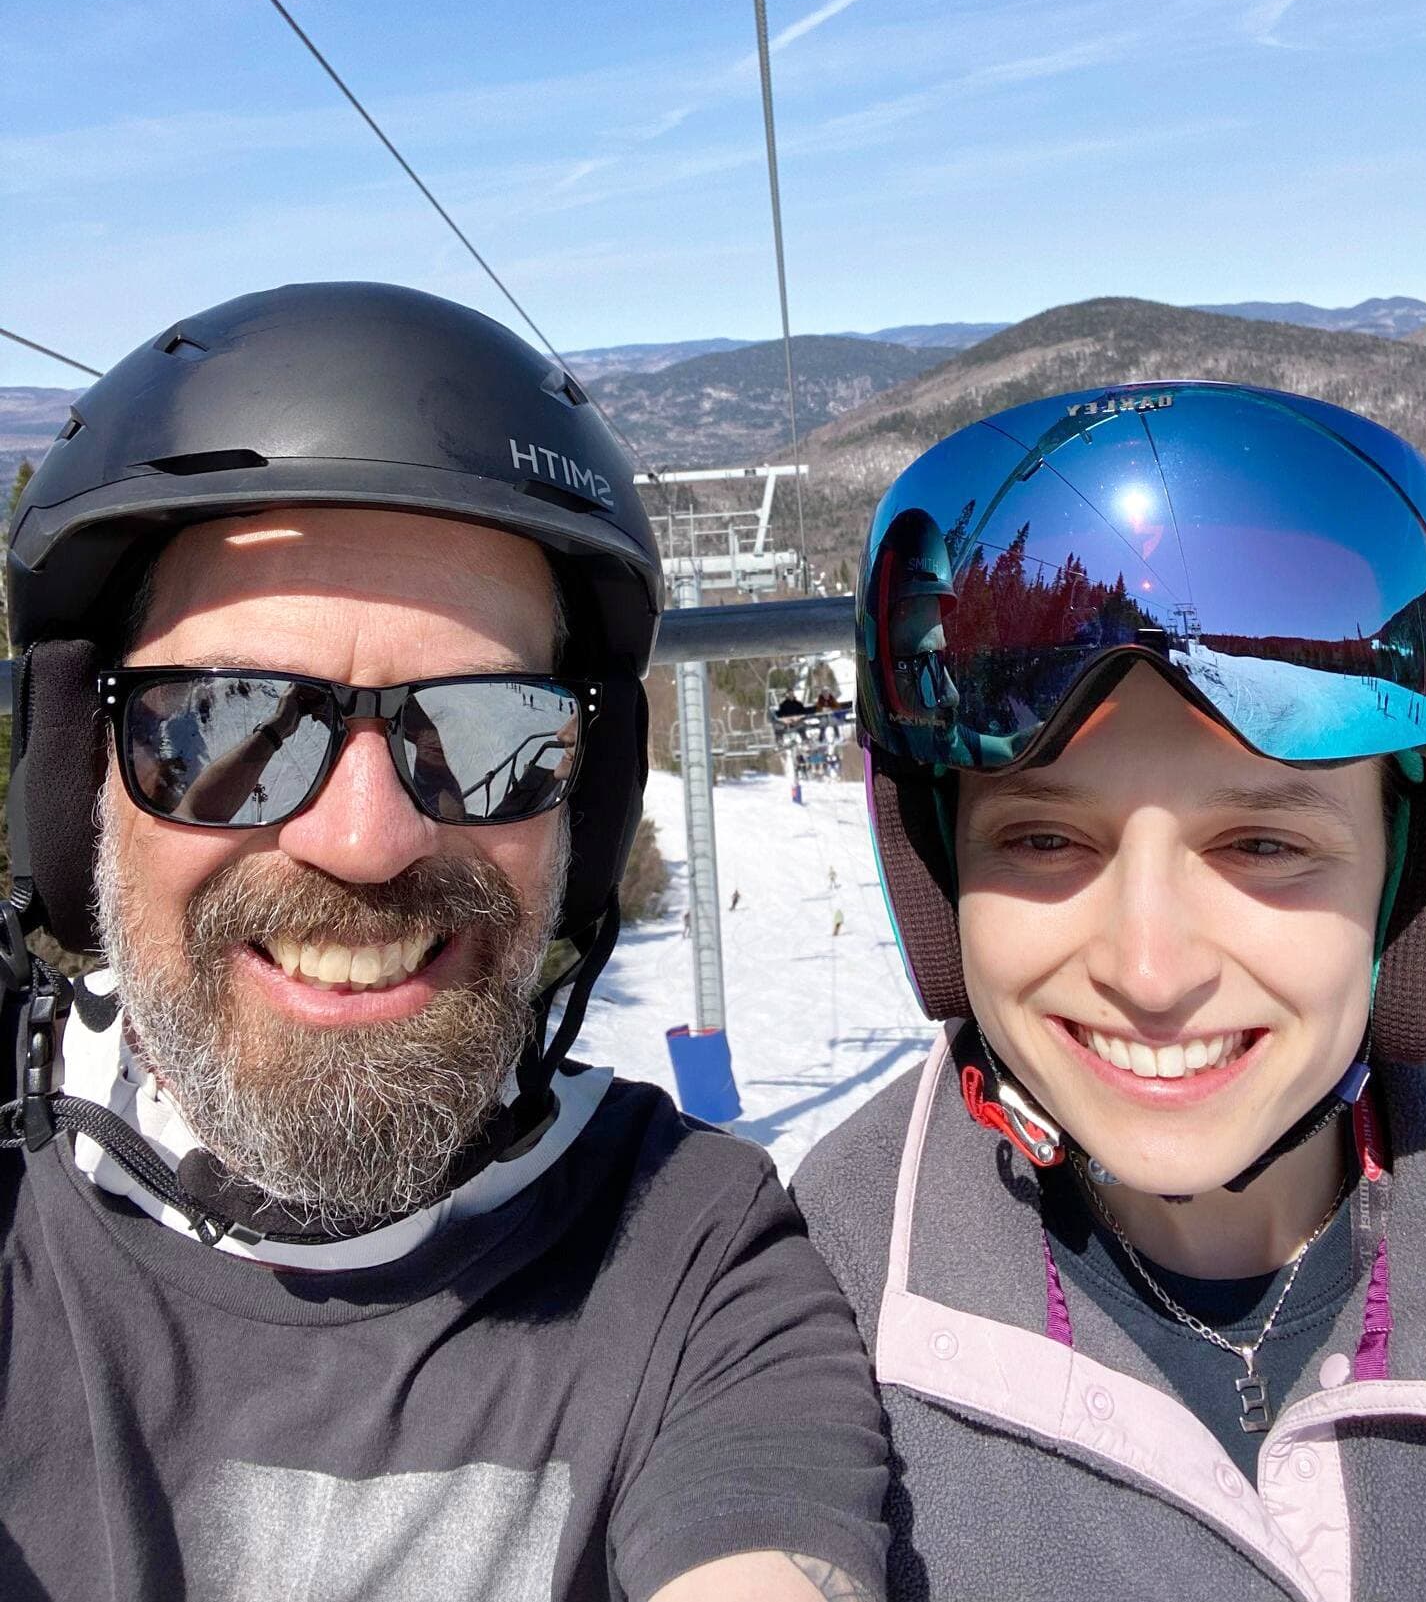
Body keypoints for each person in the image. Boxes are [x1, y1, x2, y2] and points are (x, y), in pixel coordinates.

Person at [1, 282, 887, 1602]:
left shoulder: (690, 1264)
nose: (366, 838)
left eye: (486, 735)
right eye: (230, 725)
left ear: (581, 812)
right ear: (84, 786)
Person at [796, 380, 1426, 1602]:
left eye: (1262, 847)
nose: (1149, 973)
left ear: (1412, 879)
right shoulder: (817, 1289)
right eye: (1042, 842)